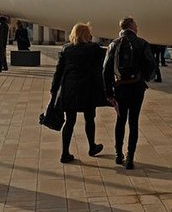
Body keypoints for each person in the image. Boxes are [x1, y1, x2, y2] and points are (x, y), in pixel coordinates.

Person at [102, 16, 156, 169]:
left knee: (120, 120)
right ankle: (130, 157)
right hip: (137, 87)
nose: (137, 27)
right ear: (132, 26)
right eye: (136, 24)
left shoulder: (114, 44)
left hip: (120, 88)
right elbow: (151, 65)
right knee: (133, 122)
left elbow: (106, 70)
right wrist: (144, 78)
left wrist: (109, 93)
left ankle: (118, 155)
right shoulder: (142, 43)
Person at [50, 22, 107, 163]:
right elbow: (106, 60)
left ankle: (64, 153)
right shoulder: (93, 48)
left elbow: (59, 72)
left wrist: (54, 89)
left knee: (70, 121)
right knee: (89, 119)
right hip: (88, 90)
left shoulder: (66, 49)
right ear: (85, 34)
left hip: (70, 90)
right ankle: (92, 147)